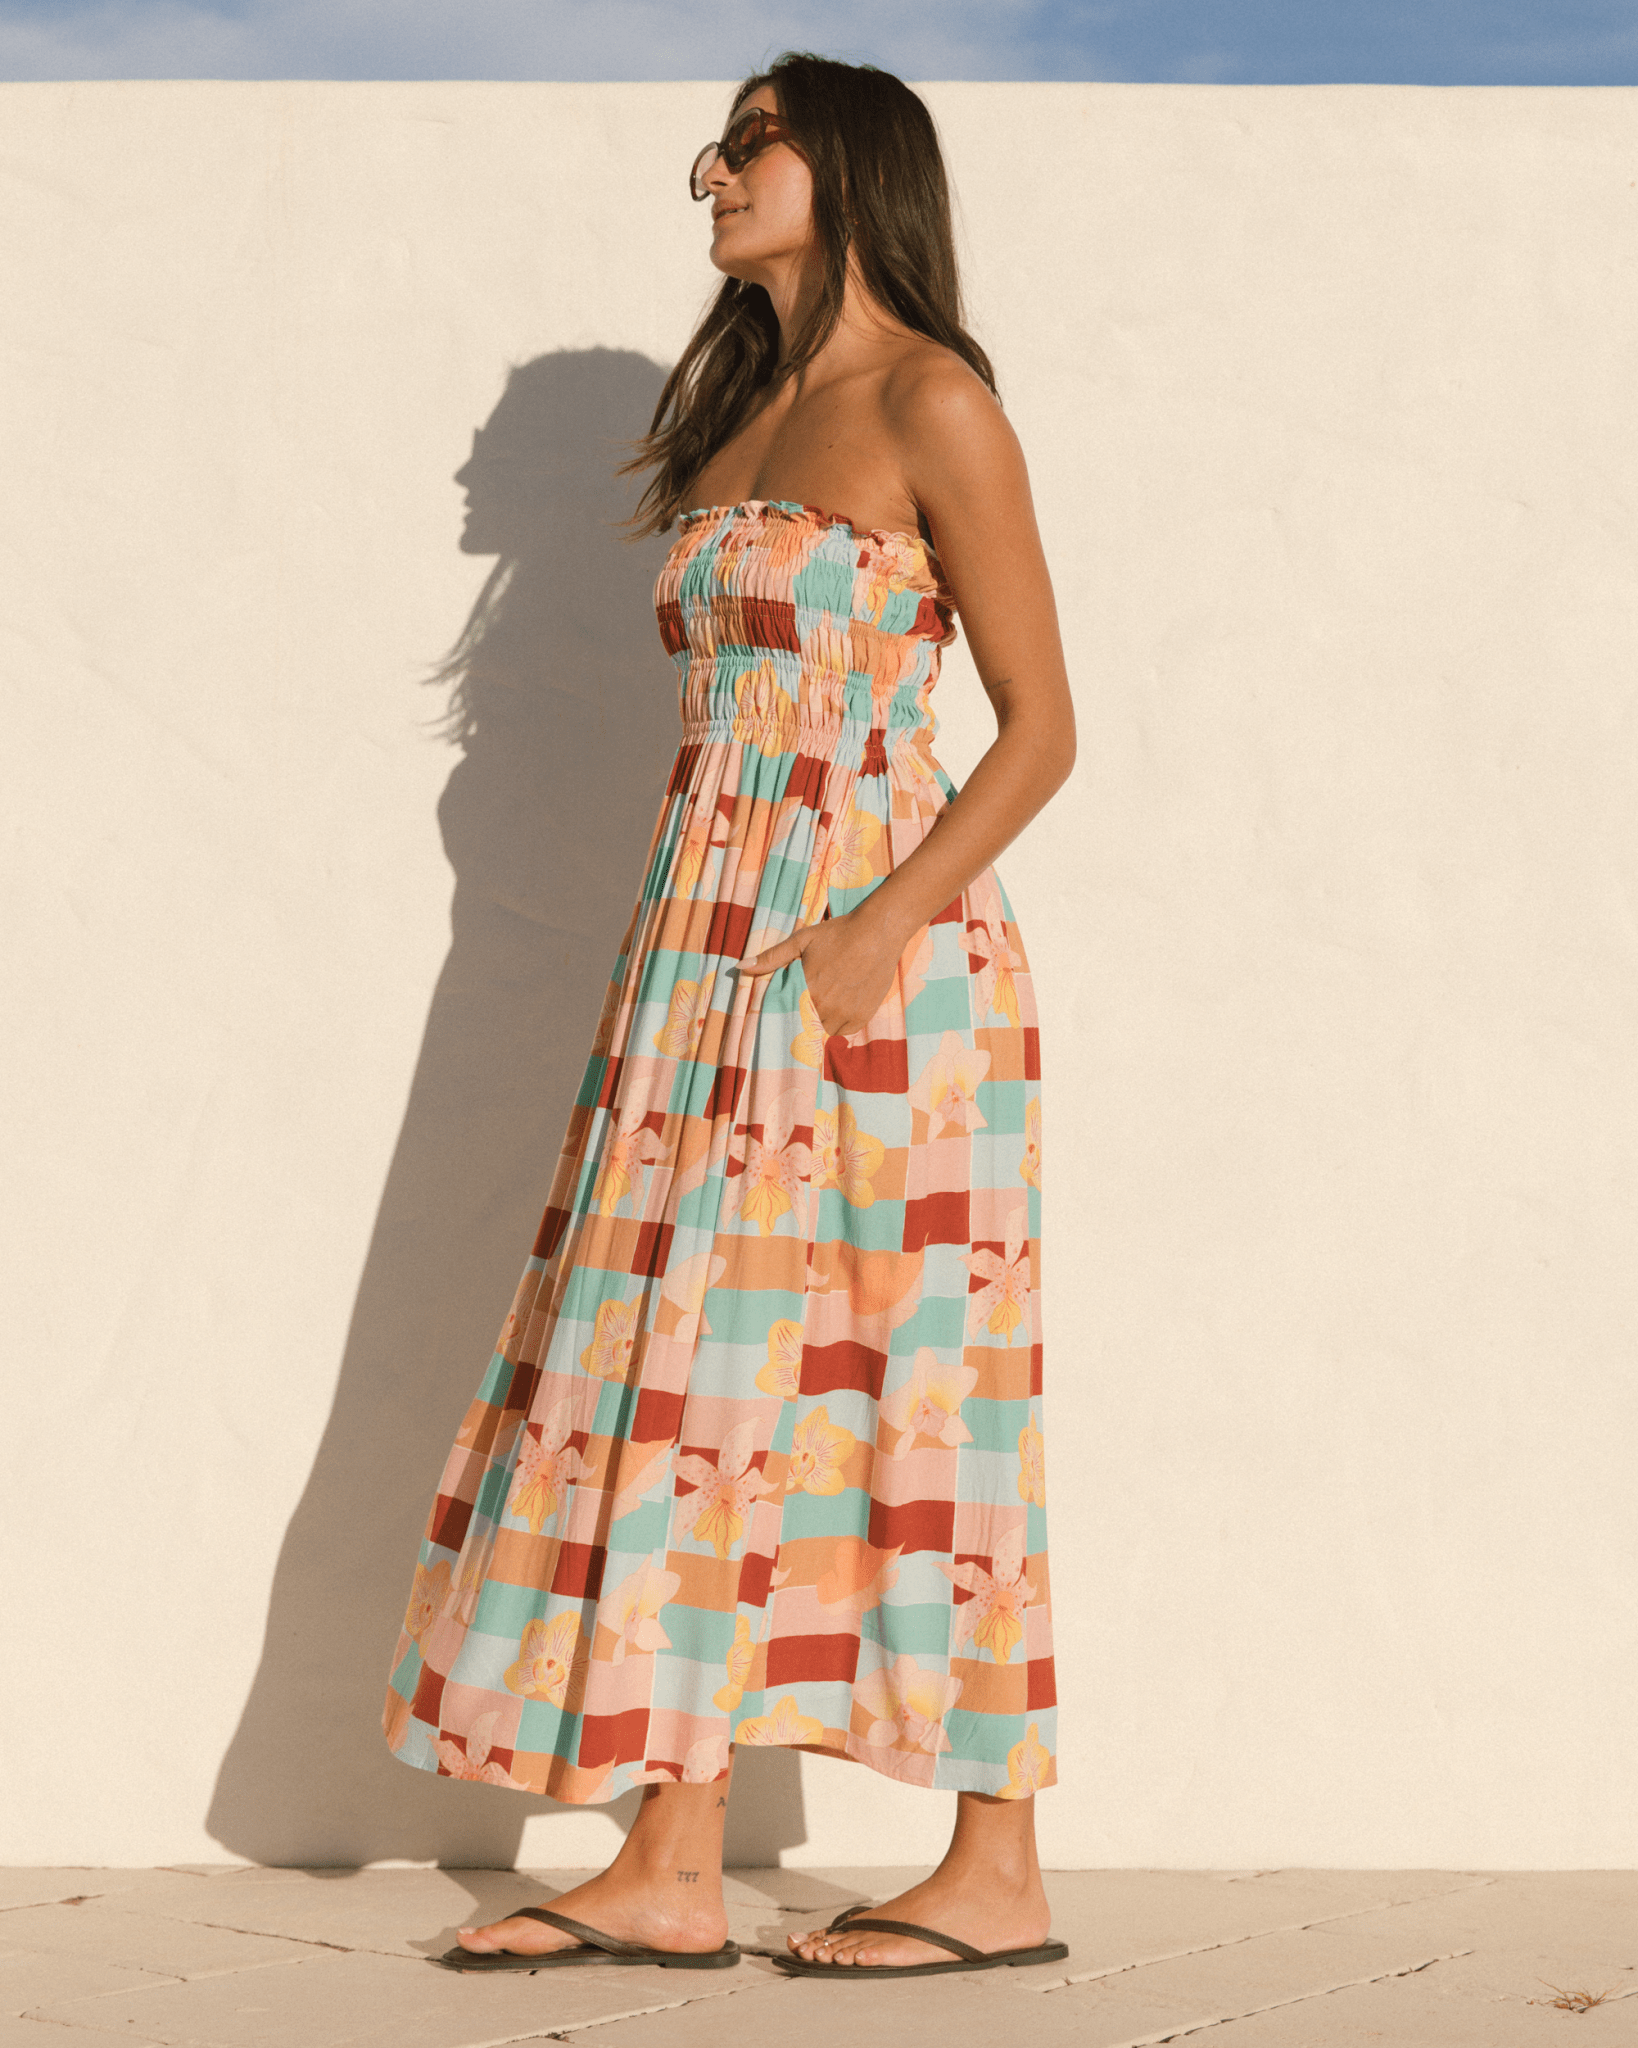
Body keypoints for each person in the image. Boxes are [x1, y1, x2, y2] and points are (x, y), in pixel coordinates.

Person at [383, 50, 1077, 1980]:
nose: (712, 167)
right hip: (699, 956)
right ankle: (671, 1853)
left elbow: (1042, 733)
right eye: (716, 139)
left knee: (913, 1385)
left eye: (751, 138)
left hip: (886, 966)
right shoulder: (741, 420)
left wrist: (867, 933)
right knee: (680, 1379)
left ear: (850, 162)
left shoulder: (933, 397)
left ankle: (996, 1860)